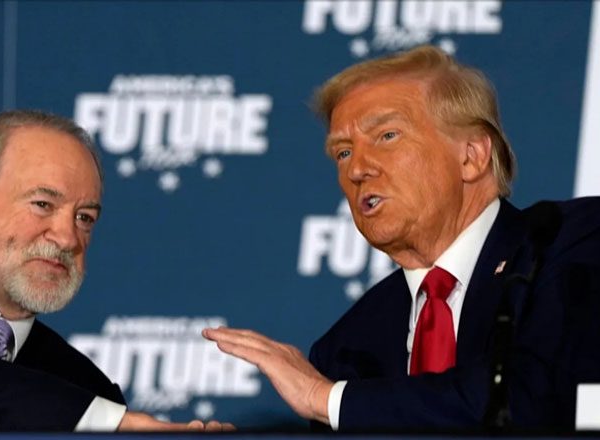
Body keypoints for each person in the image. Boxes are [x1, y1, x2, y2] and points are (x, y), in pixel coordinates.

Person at [203, 45, 600, 430]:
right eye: (343, 153)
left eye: (387, 136)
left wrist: (327, 399)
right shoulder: (345, 346)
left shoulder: (570, 242)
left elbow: (531, 400)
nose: (357, 169)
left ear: (471, 156)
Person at [0, 110, 232, 432]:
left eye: (84, 218)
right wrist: (104, 423)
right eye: (43, 204)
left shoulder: (83, 387)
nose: (68, 238)